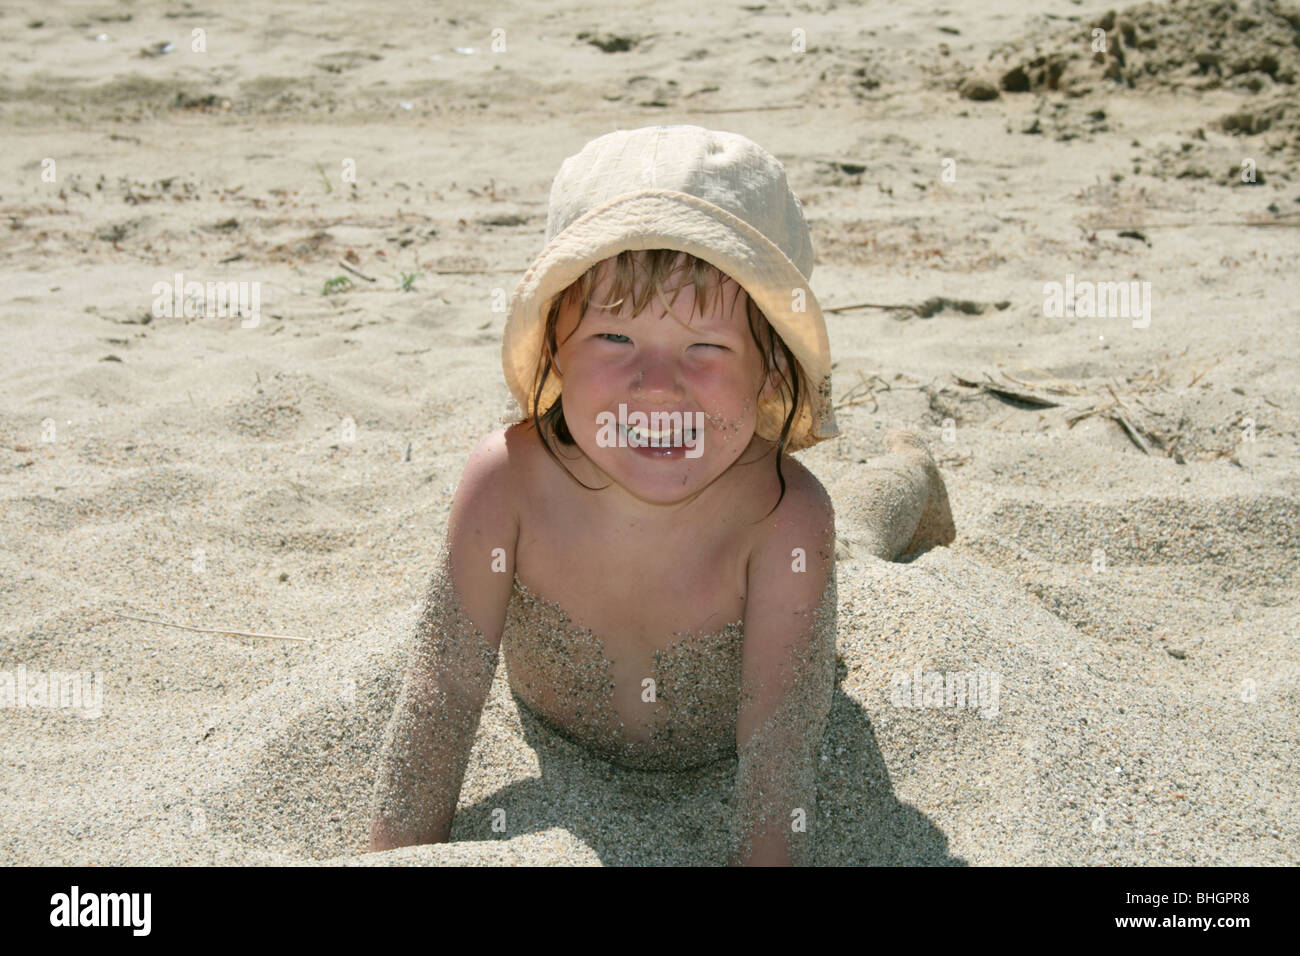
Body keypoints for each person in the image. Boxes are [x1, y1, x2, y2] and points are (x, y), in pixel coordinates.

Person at [368, 125, 955, 865]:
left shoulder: (784, 514)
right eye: (613, 339)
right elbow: (442, 695)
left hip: (768, 650)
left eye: (706, 347)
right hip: (564, 740)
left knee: (856, 546)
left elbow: (779, 752)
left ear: (773, 373)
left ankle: (912, 476)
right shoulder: (507, 482)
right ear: (554, 349)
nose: (657, 383)